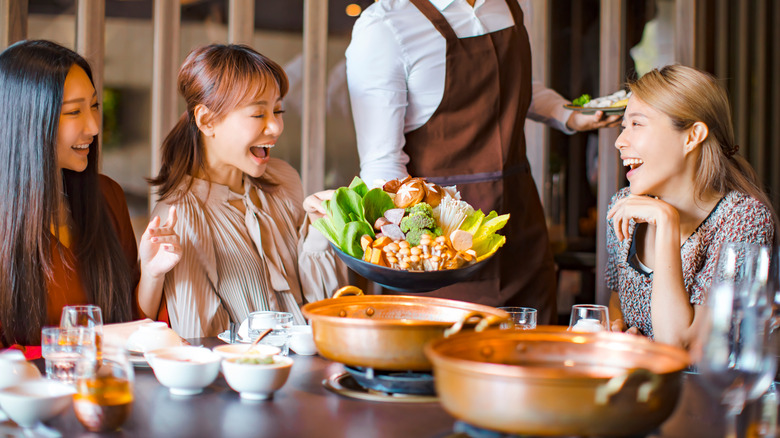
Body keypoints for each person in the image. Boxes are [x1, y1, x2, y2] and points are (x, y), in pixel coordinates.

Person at [345, 0, 620, 323]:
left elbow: (515, 87)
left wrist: (567, 114)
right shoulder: (385, 27)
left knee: (532, 360)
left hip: (521, 231)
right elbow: (382, 167)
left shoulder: (507, 6)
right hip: (443, 249)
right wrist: (422, 253)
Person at [148, 44, 347, 338]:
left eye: (278, 110)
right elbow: (202, 342)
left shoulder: (284, 180)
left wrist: (321, 231)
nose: (276, 127)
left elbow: (327, 309)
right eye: (258, 114)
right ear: (207, 120)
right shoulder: (180, 216)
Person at [0, 40, 181, 349]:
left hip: (106, 389)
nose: (94, 126)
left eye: (94, 106)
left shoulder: (106, 196)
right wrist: (91, 339)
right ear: (27, 121)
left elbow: (130, 326)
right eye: (74, 112)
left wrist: (152, 273)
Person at [606, 65, 776, 349]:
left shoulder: (744, 218)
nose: (619, 142)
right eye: (623, 127)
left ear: (692, 136)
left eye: (637, 124)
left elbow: (684, 345)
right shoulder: (624, 206)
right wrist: (618, 333)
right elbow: (616, 303)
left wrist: (666, 221)